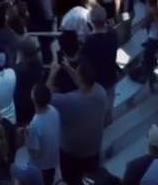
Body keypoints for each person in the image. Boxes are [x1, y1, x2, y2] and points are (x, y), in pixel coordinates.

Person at [47, 57, 107, 185]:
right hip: (93, 153)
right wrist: (69, 69)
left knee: (71, 181)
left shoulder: (68, 101)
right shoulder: (101, 92)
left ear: (80, 79)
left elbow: (45, 97)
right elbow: (83, 84)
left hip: (71, 157)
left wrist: (52, 73)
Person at [25, 82, 61, 185]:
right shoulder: (54, 111)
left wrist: (26, 136)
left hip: (40, 166)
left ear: (34, 99)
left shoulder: (34, 125)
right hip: (53, 160)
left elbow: (34, 153)